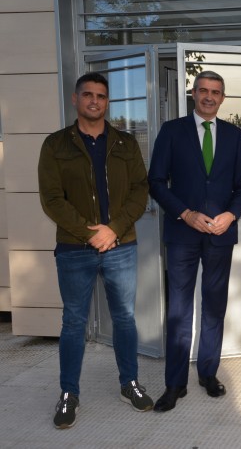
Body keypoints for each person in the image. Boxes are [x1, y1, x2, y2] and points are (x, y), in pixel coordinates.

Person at [38, 72, 152, 429]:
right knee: (73, 322)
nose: (94, 101)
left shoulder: (125, 143)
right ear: (75, 100)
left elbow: (140, 191)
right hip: (75, 248)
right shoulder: (55, 145)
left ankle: (129, 383)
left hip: (120, 245)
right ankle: (69, 392)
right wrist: (90, 234)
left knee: (124, 319)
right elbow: (52, 199)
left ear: (108, 102)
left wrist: (113, 229)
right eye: (87, 95)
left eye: (101, 96)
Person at [148, 71, 241, 412]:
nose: (209, 97)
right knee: (179, 309)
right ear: (193, 94)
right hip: (182, 234)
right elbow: (157, 182)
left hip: (220, 234)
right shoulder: (172, 131)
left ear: (223, 98)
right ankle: (174, 383)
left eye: (216, 92)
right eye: (203, 90)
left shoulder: (234, 135)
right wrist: (185, 213)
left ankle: (208, 372)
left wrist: (231, 215)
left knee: (214, 306)